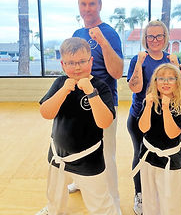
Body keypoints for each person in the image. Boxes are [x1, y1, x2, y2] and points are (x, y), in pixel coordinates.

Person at [36, 37, 120, 215]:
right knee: (54, 196)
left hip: (88, 159)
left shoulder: (100, 87)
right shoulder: (60, 83)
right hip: (58, 154)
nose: (77, 67)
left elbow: (105, 122)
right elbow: (46, 113)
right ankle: (53, 211)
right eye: (71, 63)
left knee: (100, 204)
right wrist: (65, 90)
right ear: (62, 64)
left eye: (82, 61)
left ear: (91, 61)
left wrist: (91, 92)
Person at [69, 0, 124, 212]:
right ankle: (80, 181)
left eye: (92, 3)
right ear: (79, 6)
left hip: (103, 101)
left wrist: (102, 41)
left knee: (106, 155)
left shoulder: (110, 33)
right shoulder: (77, 34)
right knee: (77, 146)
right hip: (80, 103)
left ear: (100, 5)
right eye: (83, 3)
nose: (88, 8)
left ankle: (114, 203)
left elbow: (118, 72)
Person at [127, 20, 181, 215]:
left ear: (165, 38)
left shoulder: (171, 58)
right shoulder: (139, 59)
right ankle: (140, 195)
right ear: (145, 39)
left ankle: (160, 193)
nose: (154, 40)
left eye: (159, 35)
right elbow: (135, 88)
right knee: (141, 155)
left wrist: (177, 65)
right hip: (141, 115)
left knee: (162, 155)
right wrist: (139, 63)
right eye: (150, 36)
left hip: (166, 117)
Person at [137, 63, 181, 214]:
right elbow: (143, 128)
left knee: (169, 198)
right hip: (148, 157)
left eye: (170, 79)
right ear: (155, 82)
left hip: (169, 160)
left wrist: (166, 109)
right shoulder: (150, 102)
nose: (165, 82)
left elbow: (172, 134)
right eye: (161, 78)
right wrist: (147, 106)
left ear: (177, 82)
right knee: (150, 196)